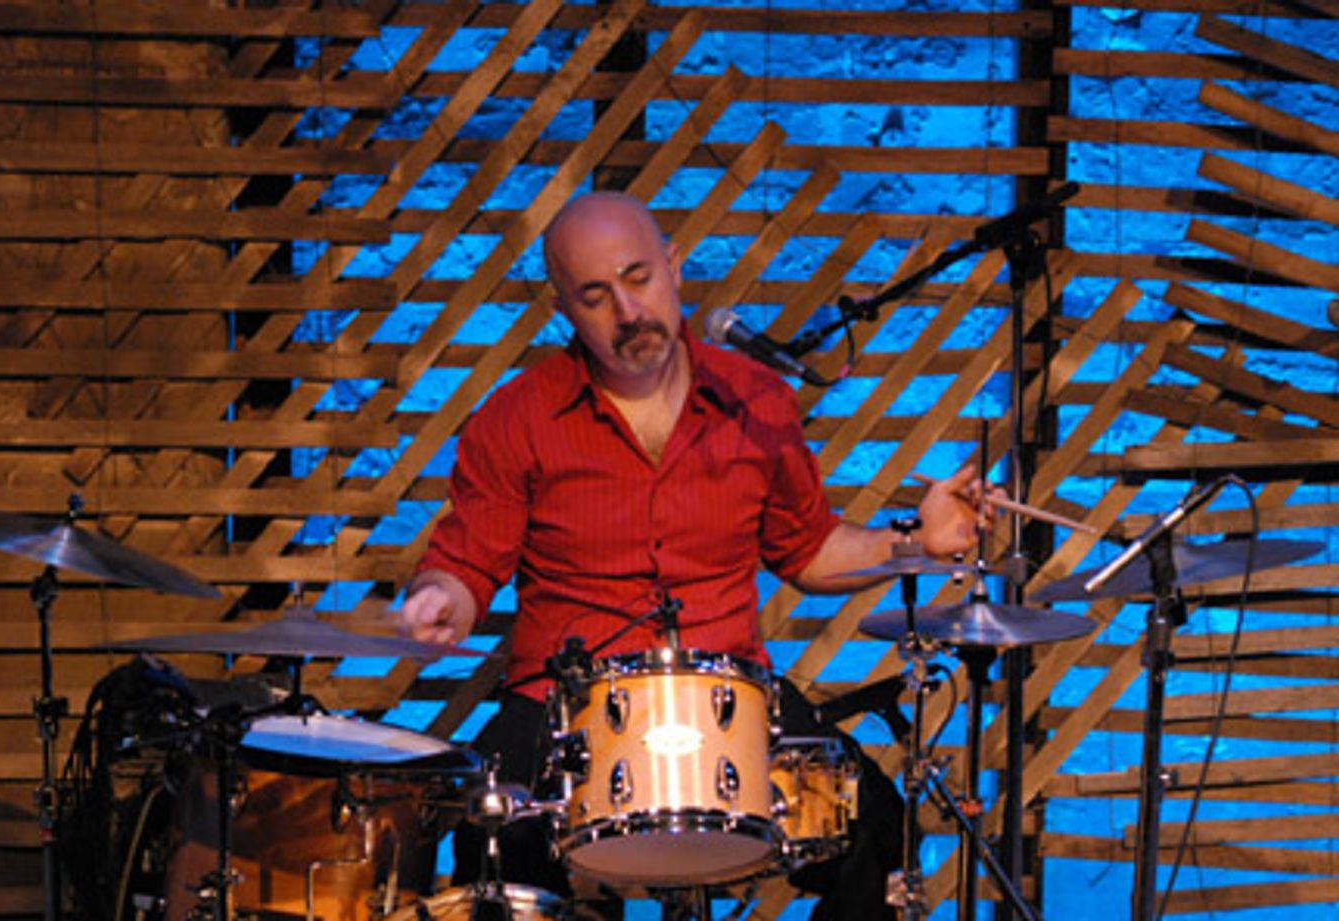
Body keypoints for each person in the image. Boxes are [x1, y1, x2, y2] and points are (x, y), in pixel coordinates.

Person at [399, 191, 992, 919]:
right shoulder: (516, 415)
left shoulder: (757, 399)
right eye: (596, 296)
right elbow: (466, 562)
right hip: (564, 703)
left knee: (875, 830)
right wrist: (441, 598)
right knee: (492, 836)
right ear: (564, 309)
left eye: (638, 277)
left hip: (730, 694)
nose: (627, 311)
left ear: (675, 266)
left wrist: (916, 543)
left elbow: (810, 551)